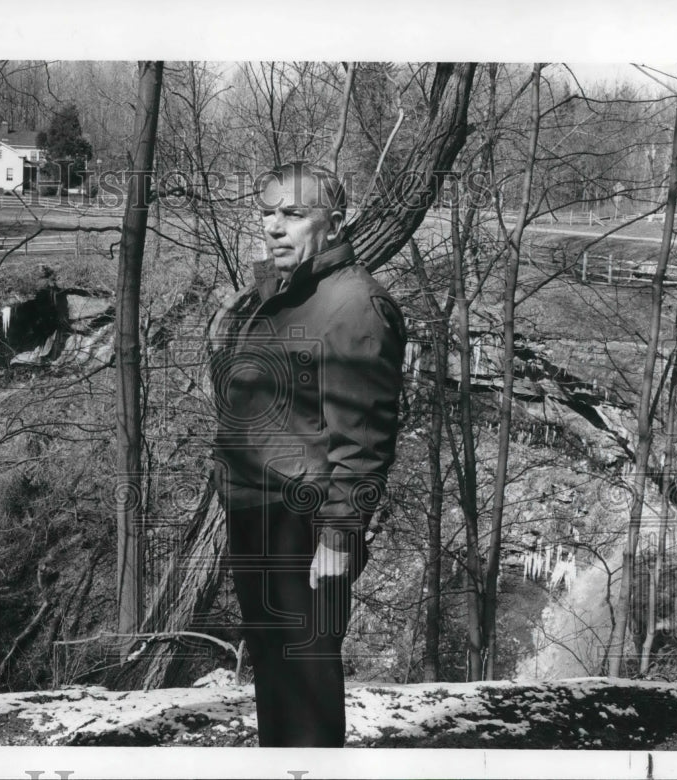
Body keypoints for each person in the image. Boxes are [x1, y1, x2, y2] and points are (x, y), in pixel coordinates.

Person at [210, 162, 406, 747]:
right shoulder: (282, 294)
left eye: (293, 215)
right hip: (257, 508)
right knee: (275, 667)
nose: (274, 227)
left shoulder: (354, 308)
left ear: (334, 223)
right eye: (268, 213)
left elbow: (366, 438)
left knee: (304, 673)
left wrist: (341, 533)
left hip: (304, 523)